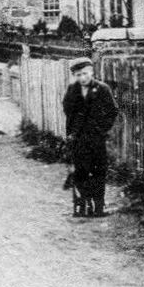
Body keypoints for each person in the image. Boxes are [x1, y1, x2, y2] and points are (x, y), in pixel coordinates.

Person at [62, 57, 118, 217]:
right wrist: (72, 132)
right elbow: (68, 111)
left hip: (96, 139)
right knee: (80, 171)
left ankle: (98, 206)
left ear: (92, 72)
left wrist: (101, 129)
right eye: (78, 75)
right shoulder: (72, 90)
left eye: (85, 74)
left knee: (98, 171)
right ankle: (80, 205)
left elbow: (112, 111)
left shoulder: (102, 89)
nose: (82, 78)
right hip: (78, 139)